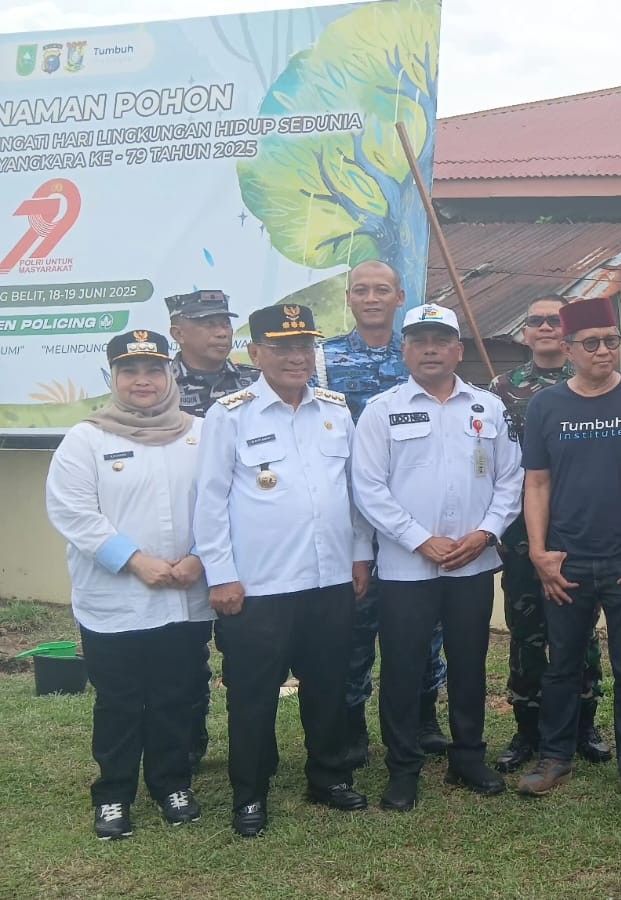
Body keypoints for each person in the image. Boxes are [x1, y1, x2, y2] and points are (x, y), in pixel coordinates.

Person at [194, 303, 374, 837]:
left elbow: (352, 493)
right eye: (282, 347)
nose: (297, 357)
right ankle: (250, 793)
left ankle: (329, 776)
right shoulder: (231, 415)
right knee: (253, 695)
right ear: (255, 353)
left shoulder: (335, 410)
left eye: (304, 346)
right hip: (259, 585)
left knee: (328, 686)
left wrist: (359, 554)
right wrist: (221, 574)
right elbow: (209, 502)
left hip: (329, 579)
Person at [352, 304, 522, 811]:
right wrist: (419, 539)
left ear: (458, 350)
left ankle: (468, 756)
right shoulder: (382, 410)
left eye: (441, 340)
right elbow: (368, 488)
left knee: (470, 663)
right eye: (420, 341)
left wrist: (486, 533)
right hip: (407, 567)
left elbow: (511, 478)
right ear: (404, 351)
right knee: (403, 667)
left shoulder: (489, 407)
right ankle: (403, 768)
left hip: (472, 562)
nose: (430, 349)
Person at [44, 330, 212, 840]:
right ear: (112, 377)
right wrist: (135, 561)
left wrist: (201, 558)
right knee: (119, 701)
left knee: (176, 695)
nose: (143, 381)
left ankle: (172, 784)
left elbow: (223, 503)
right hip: (115, 599)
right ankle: (114, 794)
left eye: (154, 370)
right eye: (130, 371)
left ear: (170, 374)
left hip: (184, 594)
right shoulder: (86, 438)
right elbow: (73, 512)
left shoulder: (201, 433)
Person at [515, 296, 621, 812]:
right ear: (568, 349)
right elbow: (536, 483)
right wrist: (539, 552)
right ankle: (554, 758)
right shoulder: (546, 406)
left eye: (611, 340)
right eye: (591, 343)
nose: (604, 351)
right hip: (567, 561)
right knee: (561, 665)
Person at [320, 260, 449, 770]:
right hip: (348, 513)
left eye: (381, 290)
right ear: (348, 298)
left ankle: (423, 715)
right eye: (361, 290)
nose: (371, 298)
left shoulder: (420, 351)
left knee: (424, 624)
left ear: (400, 297)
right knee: (354, 623)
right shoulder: (323, 358)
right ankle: (352, 724)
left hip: (416, 514)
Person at [489, 293, 611, 773]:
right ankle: (527, 728)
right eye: (535, 320)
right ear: (523, 332)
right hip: (521, 527)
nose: (545, 327)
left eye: (553, 320)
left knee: (582, 626)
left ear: (568, 332)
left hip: (579, 523)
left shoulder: (591, 381)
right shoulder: (500, 389)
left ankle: (584, 723)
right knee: (526, 628)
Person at [165, 288, 257, 771]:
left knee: (244, 649)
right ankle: (187, 741)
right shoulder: (158, 386)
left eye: (224, 322)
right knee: (184, 653)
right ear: (178, 332)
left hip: (244, 541)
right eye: (207, 323)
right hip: (177, 537)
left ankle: (248, 743)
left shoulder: (253, 382)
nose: (221, 331)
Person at [167, 289, 259, 418]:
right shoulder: (161, 385)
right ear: (178, 334)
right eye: (209, 325)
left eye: (226, 324)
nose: (222, 333)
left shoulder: (257, 380)